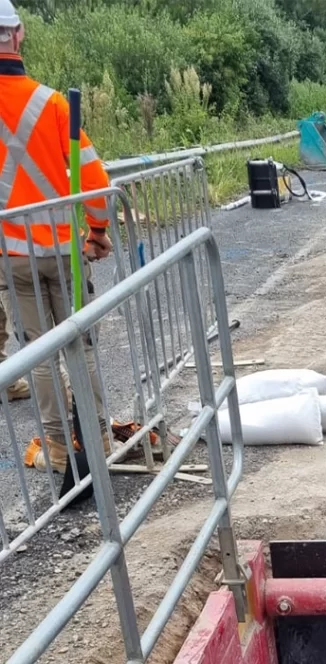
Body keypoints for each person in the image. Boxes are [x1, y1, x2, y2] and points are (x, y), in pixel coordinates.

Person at [1, 0, 114, 473]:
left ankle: (55, 446)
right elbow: (93, 177)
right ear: (19, 34)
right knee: (78, 344)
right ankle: (98, 436)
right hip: (65, 250)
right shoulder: (52, 103)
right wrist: (99, 229)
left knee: (39, 349)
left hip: (14, 253)